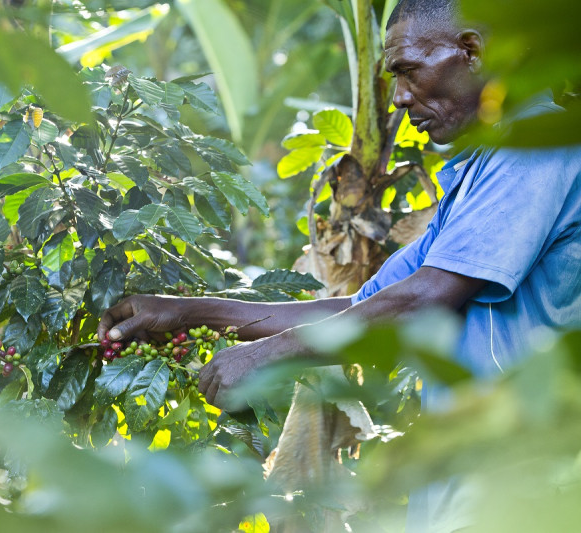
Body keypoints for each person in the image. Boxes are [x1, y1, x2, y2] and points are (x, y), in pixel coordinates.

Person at [99, 0, 581, 527]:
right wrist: (185, 312)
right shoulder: (479, 173)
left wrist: (268, 356)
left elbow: (425, 297)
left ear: (471, 51)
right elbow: (363, 305)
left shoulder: (537, 147)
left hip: (523, 479)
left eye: (408, 72)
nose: (398, 98)